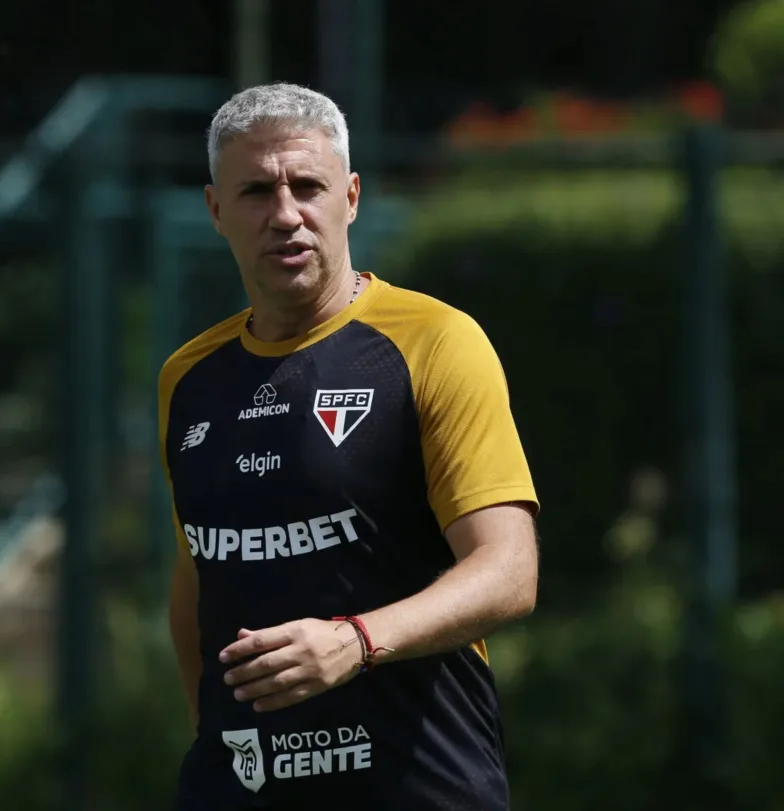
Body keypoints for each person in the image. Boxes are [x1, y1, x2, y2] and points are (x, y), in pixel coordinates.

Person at [157, 82, 540, 811]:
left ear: (352, 197)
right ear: (215, 210)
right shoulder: (188, 377)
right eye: (256, 191)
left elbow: (509, 570)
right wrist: (214, 734)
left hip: (420, 787)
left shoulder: (434, 342)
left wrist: (355, 641)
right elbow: (198, 576)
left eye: (308, 186)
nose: (286, 214)